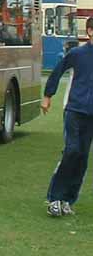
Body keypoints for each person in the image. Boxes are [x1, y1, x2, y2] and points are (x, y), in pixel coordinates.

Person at [41, 16, 93, 216]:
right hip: (73, 110)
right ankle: (54, 198)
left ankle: (68, 200)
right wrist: (47, 96)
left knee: (82, 156)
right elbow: (57, 71)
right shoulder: (77, 53)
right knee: (71, 150)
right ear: (89, 31)